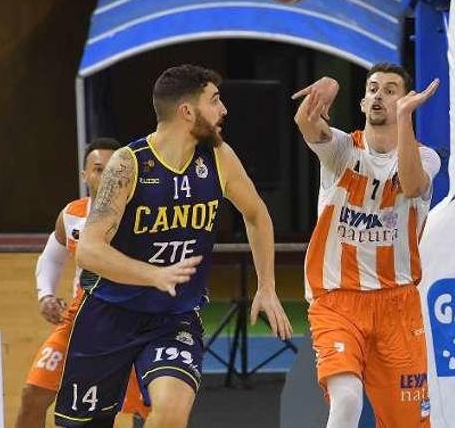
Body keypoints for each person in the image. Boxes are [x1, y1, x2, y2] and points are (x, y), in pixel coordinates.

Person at [53, 64, 293, 428]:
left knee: (171, 413)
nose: (224, 110)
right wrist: (152, 274)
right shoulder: (128, 164)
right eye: (214, 101)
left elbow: (257, 215)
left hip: (175, 315)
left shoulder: (219, 158)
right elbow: (88, 251)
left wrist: (267, 286)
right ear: (186, 111)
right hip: (108, 312)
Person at [293, 63, 441, 428]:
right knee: (346, 400)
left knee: (407, 423)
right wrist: (323, 87)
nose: (379, 95)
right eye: (373, 88)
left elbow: (409, 186)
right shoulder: (341, 150)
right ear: (362, 102)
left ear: (406, 101)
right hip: (337, 299)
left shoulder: (425, 158)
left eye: (391, 90)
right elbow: (306, 122)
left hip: (397, 305)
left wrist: (404, 118)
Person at [16, 138, 151, 428]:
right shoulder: (71, 215)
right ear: (85, 175)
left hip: (131, 324)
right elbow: (51, 258)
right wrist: (46, 296)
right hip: (79, 322)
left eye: (113, 169)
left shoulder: (143, 215)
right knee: (32, 394)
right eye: (98, 169)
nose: (105, 177)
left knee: (155, 411)